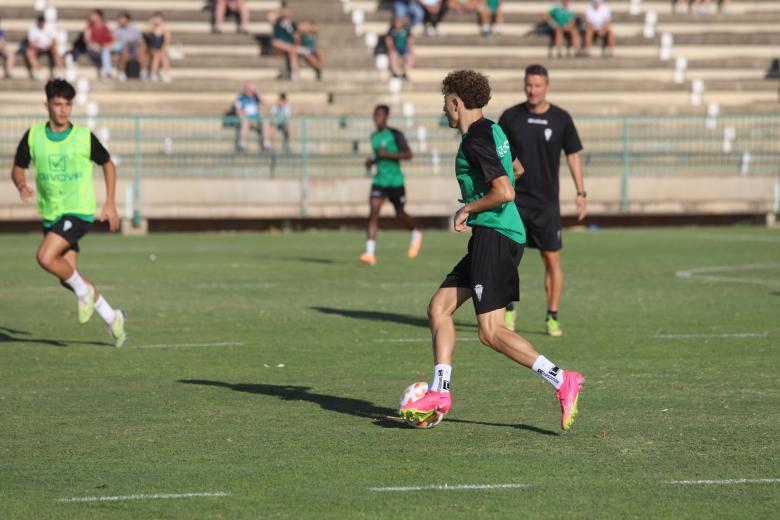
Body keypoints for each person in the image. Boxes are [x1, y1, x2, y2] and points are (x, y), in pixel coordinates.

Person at [398, 70, 583, 431]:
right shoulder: (494, 129)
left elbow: (506, 191)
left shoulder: (474, 140)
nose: (446, 112)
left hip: (495, 236)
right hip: (496, 234)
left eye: (446, 104)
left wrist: (469, 207)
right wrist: (478, 198)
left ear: (456, 102)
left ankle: (562, 379)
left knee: (490, 331)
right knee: (439, 307)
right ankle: (441, 391)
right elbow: (517, 169)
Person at [10, 79, 126, 347]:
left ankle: (86, 293)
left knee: (44, 256)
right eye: (58, 104)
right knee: (68, 276)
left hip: (79, 212)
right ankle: (112, 317)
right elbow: (18, 166)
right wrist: (21, 184)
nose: (63, 110)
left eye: (67, 105)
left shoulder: (84, 136)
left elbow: (108, 164)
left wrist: (109, 203)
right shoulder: (33, 136)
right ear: (47, 105)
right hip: (52, 215)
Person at [498, 64, 586, 336]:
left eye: (537, 85)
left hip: (547, 203)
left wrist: (581, 192)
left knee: (551, 259)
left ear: (547, 86)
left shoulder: (561, 118)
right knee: (508, 259)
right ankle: (509, 310)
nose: (532, 90)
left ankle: (552, 316)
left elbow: (573, 155)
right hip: (514, 201)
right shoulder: (510, 117)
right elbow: (497, 155)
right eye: (528, 85)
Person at [360, 104, 423, 265]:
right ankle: (369, 252)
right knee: (374, 212)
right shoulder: (373, 136)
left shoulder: (395, 134)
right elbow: (378, 156)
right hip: (379, 181)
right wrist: (371, 161)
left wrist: (388, 154)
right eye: (375, 116)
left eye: (380, 116)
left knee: (400, 213)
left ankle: (415, 233)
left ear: (386, 117)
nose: (377, 119)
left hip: (396, 182)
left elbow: (408, 154)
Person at [233, 82, 269, 152]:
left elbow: (264, 102)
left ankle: (266, 144)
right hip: (246, 120)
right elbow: (238, 111)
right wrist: (244, 116)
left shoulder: (255, 97)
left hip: (255, 120)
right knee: (245, 122)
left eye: (252, 90)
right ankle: (242, 145)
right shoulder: (241, 98)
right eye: (249, 90)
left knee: (265, 121)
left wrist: (257, 92)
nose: (251, 92)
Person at [112, 12, 147, 81]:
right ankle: (122, 73)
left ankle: (143, 72)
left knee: (141, 50)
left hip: (134, 48)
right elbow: (114, 42)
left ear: (127, 20)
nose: (121, 21)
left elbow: (141, 41)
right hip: (123, 49)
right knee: (125, 51)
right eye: (120, 19)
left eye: (123, 19)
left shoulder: (134, 29)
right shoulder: (117, 30)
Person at [26, 15, 62, 80]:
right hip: (37, 48)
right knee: (29, 52)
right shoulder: (33, 28)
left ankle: (58, 71)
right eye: (40, 22)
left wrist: (48, 46)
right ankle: (38, 71)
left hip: (49, 47)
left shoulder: (50, 27)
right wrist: (38, 47)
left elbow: (54, 41)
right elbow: (30, 43)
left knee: (55, 50)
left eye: (43, 22)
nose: (41, 23)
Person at [269, 8, 300, 80]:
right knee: (290, 48)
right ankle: (293, 73)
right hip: (277, 44)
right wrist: (281, 15)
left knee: (293, 51)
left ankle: (294, 73)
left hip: (288, 46)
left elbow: (296, 36)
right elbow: (270, 16)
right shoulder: (278, 21)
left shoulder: (292, 24)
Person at [83, 9, 115, 79]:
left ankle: (107, 73)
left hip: (106, 46)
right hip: (94, 46)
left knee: (106, 49)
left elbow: (113, 37)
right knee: (105, 51)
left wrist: (110, 44)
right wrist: (94, 45)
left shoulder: (106, 25)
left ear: (99, 16)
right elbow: (87, 40)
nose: (91, 17)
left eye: (94, 15)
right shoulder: (89, 27)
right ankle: (107, 73)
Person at [385, 16, 415, 80]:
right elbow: (388, 40)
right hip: (395, 49)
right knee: (392, 55)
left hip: (404, 49)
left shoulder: (406, 30)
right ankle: (395, 72)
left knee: (411, 56)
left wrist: (409, 47)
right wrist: (391, 48)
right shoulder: (391, 31)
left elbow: (410, 40)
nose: (397, 23)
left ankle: (404, 72)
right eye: (396, 22)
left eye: (399, 22)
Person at [145, 12, 171, 82]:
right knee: (157, 54)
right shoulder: (150, 28)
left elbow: (167, 42)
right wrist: (151, 25)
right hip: (151, 49)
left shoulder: (165, 30)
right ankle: (154, 74)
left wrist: (162, 49)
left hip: (160, 50)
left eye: (158, 19)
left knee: (162, 55)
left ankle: (161, 74)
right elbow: (145, 35)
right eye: (155, 19)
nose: (157, 21)